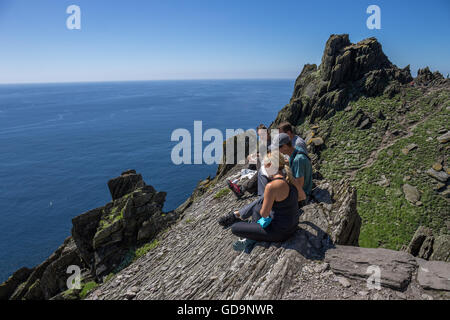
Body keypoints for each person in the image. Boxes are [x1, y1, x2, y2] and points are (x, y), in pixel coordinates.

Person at [218, 151, 299, 252]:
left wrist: (270, 202)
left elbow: (264, 214)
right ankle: (252, 235)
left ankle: (251, 239)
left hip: (281, 232)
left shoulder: (271, 186)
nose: (264, 169)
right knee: (256, 208)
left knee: (235, 227)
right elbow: (301, 196)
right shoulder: (290, 178)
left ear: (271, 165)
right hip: (292, 225)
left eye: (265, 166)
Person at [270, 133, 312, 204]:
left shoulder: (298, 160)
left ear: (285, 146)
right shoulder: (297, 150)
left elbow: (299, 186)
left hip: (302, 195)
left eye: (277, 148)